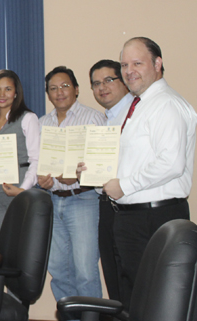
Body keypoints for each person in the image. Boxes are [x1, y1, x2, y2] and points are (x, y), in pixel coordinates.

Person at [82, 37, 197, 308]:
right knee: (134, 297)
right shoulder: (139, 105)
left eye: (137, 63)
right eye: (124, 64)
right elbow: (133, 159)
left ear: (157, 64)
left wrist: (125, 185)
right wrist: (96, 171)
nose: (129, 70)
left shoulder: (166, 104)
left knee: (156, 301)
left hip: (154, 217)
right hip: (133, 218)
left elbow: (171, 163)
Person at [39, 66, 106, 302]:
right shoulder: (42, 124)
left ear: (76, 89)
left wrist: (78, 177)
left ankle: (91, 318)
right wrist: (42, 179)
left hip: (84, 200)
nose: (59, 92)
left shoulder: (94, 119)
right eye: (53, 88)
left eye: (65, 86)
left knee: (86, 271)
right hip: (52, 201)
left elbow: (104, 166)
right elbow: (37, 162)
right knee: (58, 271)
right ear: (47, 93)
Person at [87, 59, 132, 303]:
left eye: (108, 80)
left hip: (129, 207)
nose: (102, 87)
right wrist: (88, 169)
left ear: (123, 81)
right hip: (106, 204)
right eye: (96, 83)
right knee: (113, 273)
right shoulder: (106, 120)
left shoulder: (134, 114)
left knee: (130, 276)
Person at [0, 70, 39, 238]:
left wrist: (22, 190)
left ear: (16, 93)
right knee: (3, 245)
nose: (2, 94)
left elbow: (36, 159)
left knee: (23, 245)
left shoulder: (28, 118)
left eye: (8, 89)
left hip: (20, 191)